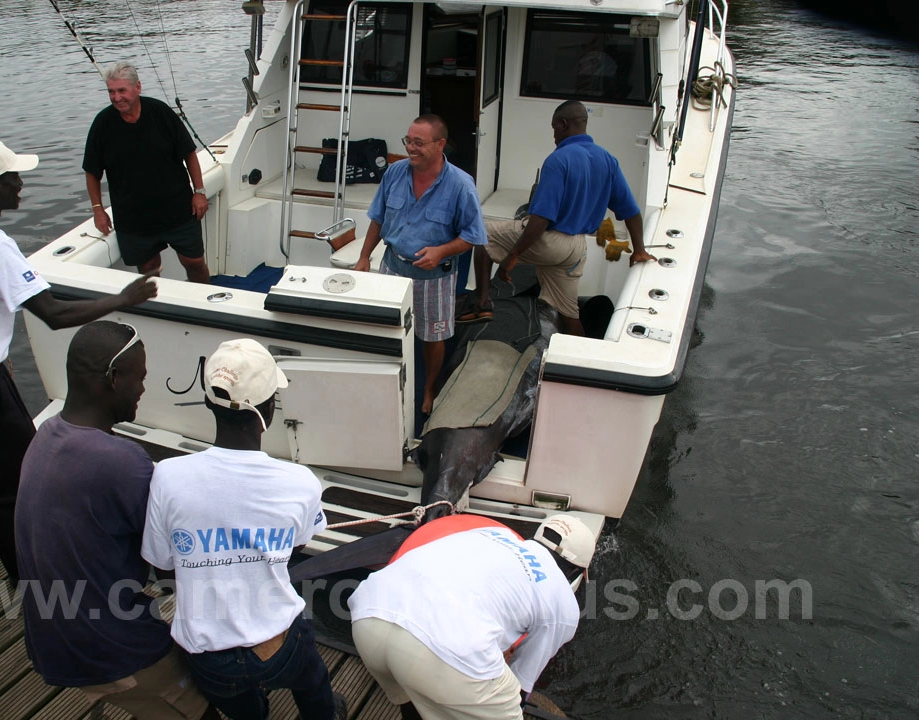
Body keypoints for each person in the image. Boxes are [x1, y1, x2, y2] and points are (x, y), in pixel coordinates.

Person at [0, 137, 157, 584]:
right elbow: (52, 313)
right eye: (13, 177)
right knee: (15, 485)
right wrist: (122, 297)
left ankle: (26, 567)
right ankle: (37, 579)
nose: (20, 184)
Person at [15, 322, 213, 719]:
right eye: (139, 378)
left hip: (51, 633)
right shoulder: (121, 461)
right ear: (112, 378)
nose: (142, 389)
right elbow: (173, 565)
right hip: (107, 647)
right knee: (203, 708)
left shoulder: (45, 436)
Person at [141, 339, 344, 720]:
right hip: (282, 640)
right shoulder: (301, 481)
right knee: (313, 684)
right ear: (268, 410)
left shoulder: (167, 476)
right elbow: (299, 542)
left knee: (245, 711)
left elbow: (163, 564)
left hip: (209, 654)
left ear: (207, 402)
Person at [348, 513, 595, 720]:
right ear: (576, 570)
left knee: (411, 698)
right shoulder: (564, 603)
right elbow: (522, 682)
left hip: (369, 614)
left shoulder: (489, 534)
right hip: (440, 650)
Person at [458, 100, 655, 336]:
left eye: (554, 128)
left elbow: (540, 219)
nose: (553, 135)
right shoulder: (608, 160)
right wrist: (639, 250)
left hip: (551, 242)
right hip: (577, 248)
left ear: (563, 124)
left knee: (483, 234)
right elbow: (631, 212)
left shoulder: (558, 160)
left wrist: (513, 257)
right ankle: (579, 361)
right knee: (569, 313)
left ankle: (482, 304)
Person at [353, 114, 487, 415]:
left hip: (434, 278)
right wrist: (364, 258)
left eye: (419, 143)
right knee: (387, 330)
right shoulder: (394, 173)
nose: (411, 148)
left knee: (433, 337)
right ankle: (385, 382)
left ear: (440, 145)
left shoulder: (461, 186)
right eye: (408, 141)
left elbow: (473, 236)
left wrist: (441, 251)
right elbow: (378, 218)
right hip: (391, 268)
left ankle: (428, 388)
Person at [84, 61, 211, 283]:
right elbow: (92, 171)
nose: (116, 97)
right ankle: (158, 308)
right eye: (111, 92)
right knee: (149, 268)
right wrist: (97, 209)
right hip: (133, 218)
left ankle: (204, 298)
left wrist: (199, 191)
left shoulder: (160, 112)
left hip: (178, 209)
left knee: (194, 262)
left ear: (137, 88)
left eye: (121, 90)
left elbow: (189, 153)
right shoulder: (102, 124)